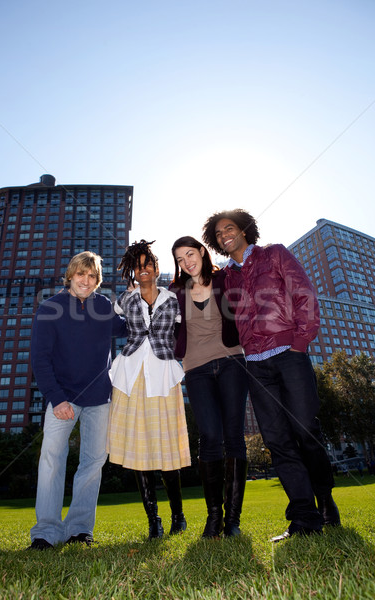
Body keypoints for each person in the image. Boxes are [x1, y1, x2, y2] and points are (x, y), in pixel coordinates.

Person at [202, 209, 340, 542]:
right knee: (277, 441)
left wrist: (300, 341)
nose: (224, 236)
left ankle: (325, 501)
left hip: (289, 355)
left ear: (245, 229)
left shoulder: (275, 254)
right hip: (256, 365)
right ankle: (304, 517)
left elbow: (304, 293)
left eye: (229, 228)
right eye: (218, 234)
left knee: (307, 430)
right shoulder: (230, 277)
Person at [28, 251, 127, 550]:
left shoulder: (103, 306)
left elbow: (124, 329)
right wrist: (56, 399)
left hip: (99, 398)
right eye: (81, 274)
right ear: (70, 275)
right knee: (51, 461)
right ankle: (46, 531)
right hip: (63, 398)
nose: (86, 280)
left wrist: (136, 300)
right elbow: (40, 359)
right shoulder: (50, 307)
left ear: (97, 281)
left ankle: (79, 529)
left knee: (93, 462)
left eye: (92, 276)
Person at [107, 240, 191, 539]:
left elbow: (183, 334)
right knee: (139, 450)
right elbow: (108, 317)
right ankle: (153, 520)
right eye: (138, 266)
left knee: (167, 447)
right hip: (131, 377)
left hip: (164, 376)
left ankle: (178, 516)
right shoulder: (124, 300)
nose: (143, 270)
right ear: (134, 271)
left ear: (157, 269)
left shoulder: (173, 299)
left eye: (148, 265)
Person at [170, 236, 249, 538]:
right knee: (210, 436)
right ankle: (213, 517)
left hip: (231, 361)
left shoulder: (224, 278)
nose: (187, 261)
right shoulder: (175, 291)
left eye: (190, 254)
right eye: (179, 259)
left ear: (202, 252)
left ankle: (233, 520)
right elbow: (155, 310)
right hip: (196, 368)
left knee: (233, 436)